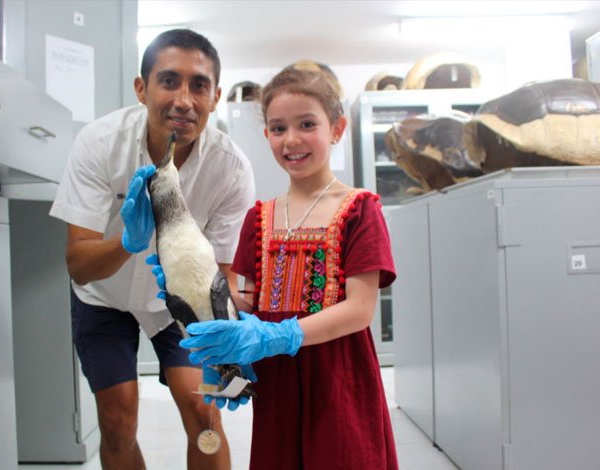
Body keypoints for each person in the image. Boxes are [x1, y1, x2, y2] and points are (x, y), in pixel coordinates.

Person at [49, 28, 255, 470]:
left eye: (198, 85)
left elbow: (222, 275)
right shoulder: (100, 144)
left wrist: (235, 346)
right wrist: (129, 243)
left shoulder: (230, 169)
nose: (184, 99)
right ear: (142, 89)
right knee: (118, 420)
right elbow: (79, 265)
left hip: (176, 302)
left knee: (205, 414)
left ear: (215, 96)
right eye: (169, 81)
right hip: (103, 296)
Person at [178, 68, 399, 469]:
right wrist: (209, 314)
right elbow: (248, 301)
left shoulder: (361, 210)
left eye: (307, 124)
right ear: (267, 137)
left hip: (339, 379)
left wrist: (281, 333)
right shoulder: (259, 218)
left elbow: (361, 309)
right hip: (278, 383)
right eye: (278, 128)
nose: (291, 139)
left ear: (337, 128)